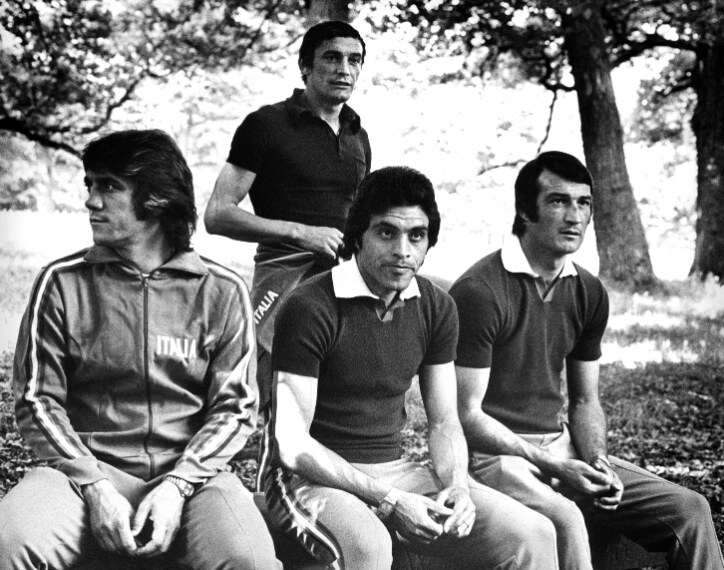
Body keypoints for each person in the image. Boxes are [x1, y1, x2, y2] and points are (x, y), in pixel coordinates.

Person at [0, 130, 281, 569]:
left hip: (192, 479)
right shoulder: (61, 283)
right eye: (90, 184)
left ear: (157, 199)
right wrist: (94, 484)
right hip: (81, 475)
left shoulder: (222, 291)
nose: (91, 200)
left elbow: (236, 408)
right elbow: (37, 399)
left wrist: (179, 485)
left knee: (249, 558)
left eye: (109, 186)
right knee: (11, 540)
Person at [262, 166, 558, 569]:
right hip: (309, 478)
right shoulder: (310, 305)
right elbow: (293, 444)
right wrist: (389, 500)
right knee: (369, 546)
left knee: (532, 533)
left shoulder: (436, 306)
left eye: (416, 236)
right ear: (358, 236)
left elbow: (444, 422)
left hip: (397, 471)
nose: (403, 250)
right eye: (387, 233)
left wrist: (457, 485)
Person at [449, 150, 724, 570]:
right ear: (525, 211)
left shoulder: (588, 291)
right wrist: (554, 465)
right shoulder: (480, 291)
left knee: (689, 509)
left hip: (561, 447)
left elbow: (585, 401)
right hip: (494, 457)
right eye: (558, 201)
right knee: (567, 520)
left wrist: (597, 462)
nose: (575, 216)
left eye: (584, 203)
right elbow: (464, 415)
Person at [204, 20, 372, 428]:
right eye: (332, 57)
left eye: (354, 60)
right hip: (283, 278)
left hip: (342, 279)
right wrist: (300, 233)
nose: (344, 69)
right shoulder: (266, 125)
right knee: (275, 398)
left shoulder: (358, 135)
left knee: (333, 399)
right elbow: (218, 214)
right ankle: (271, 466)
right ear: (305, 66)